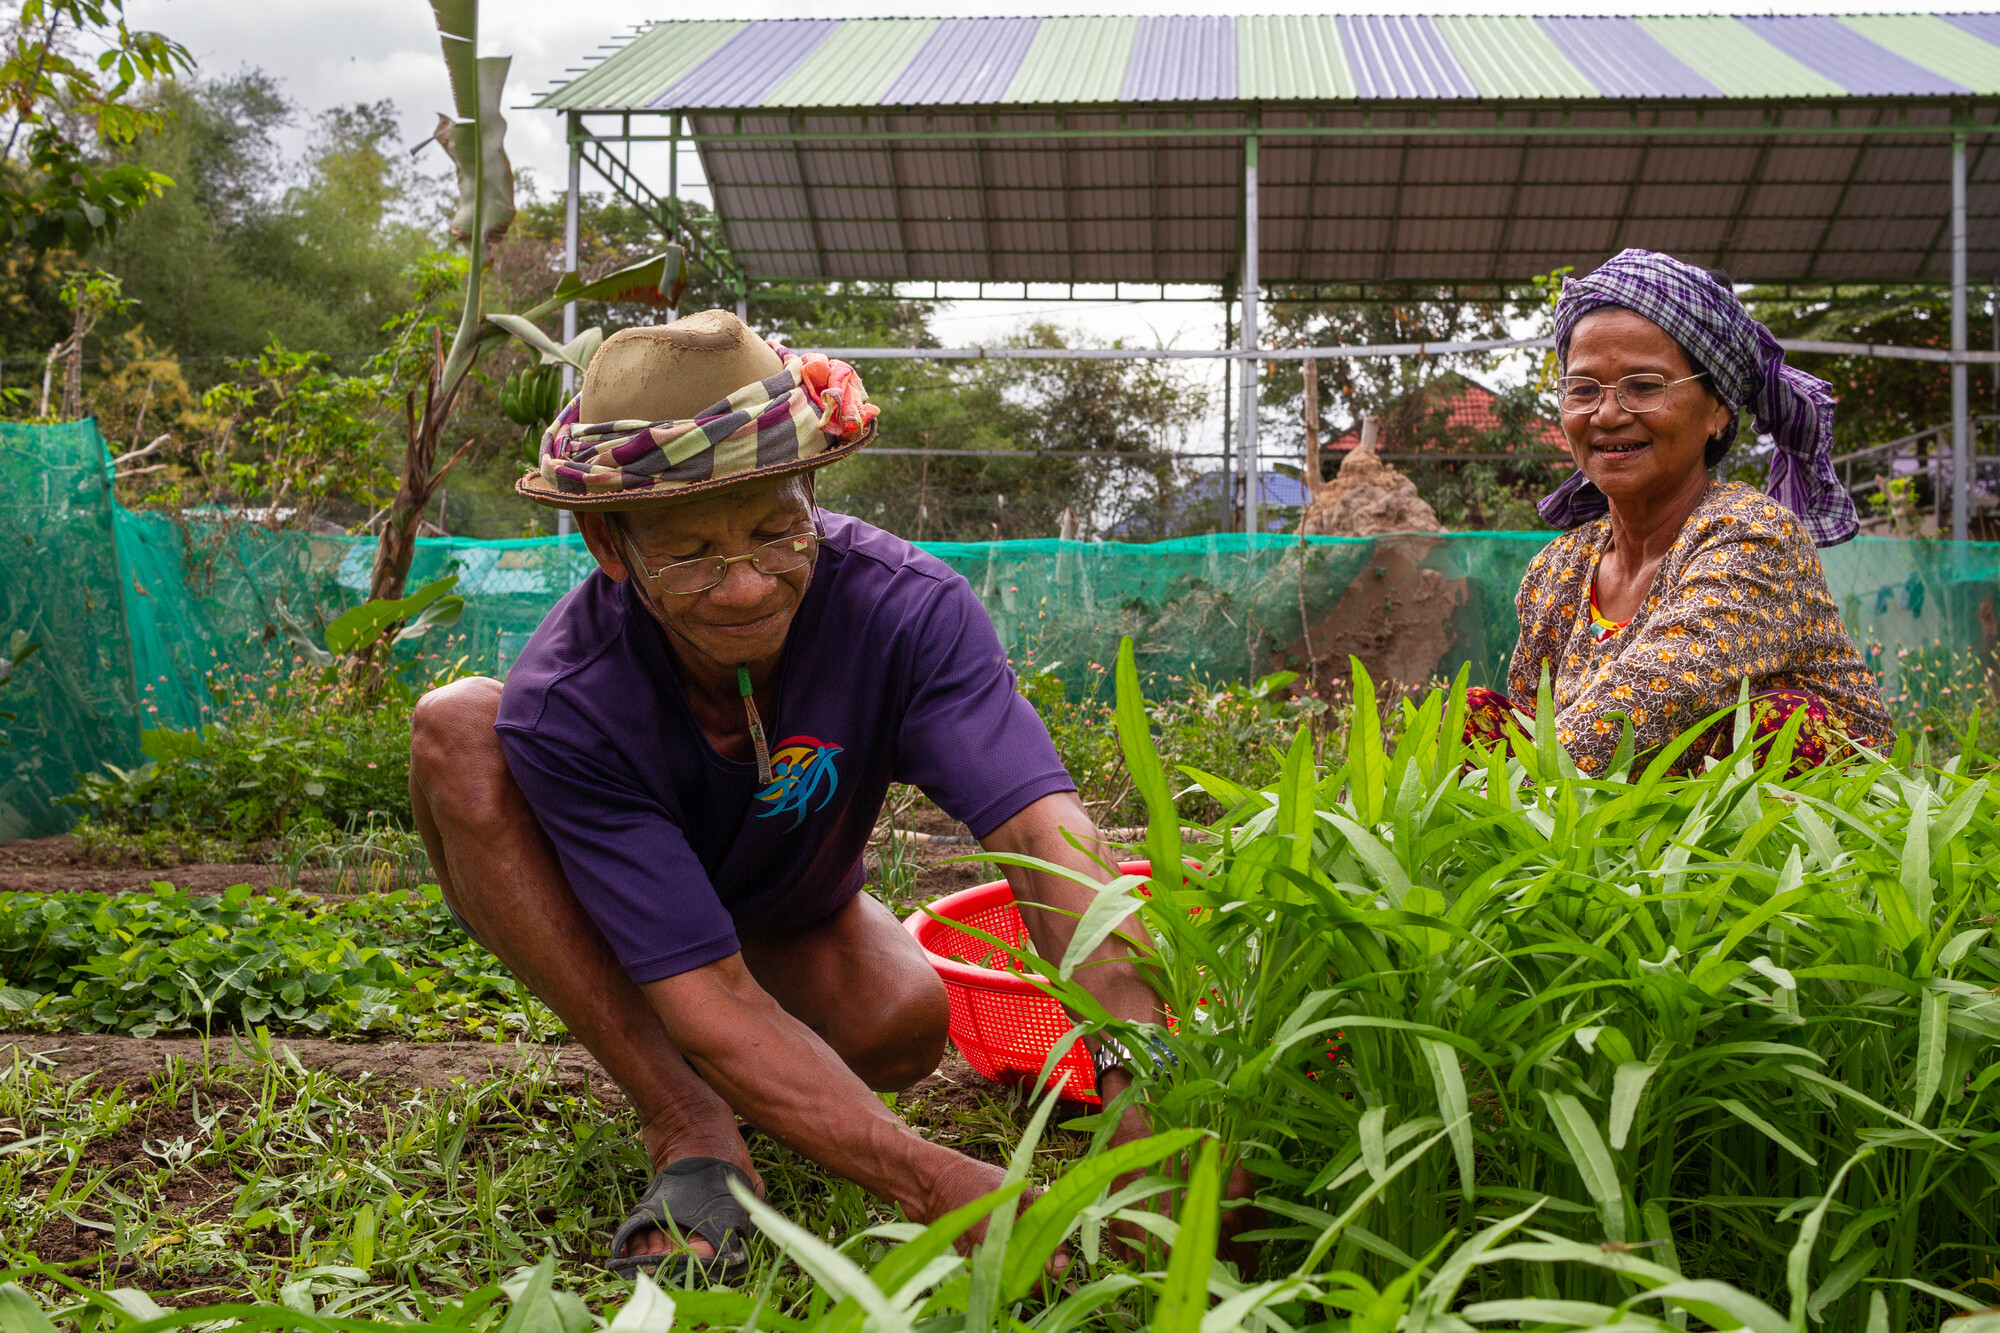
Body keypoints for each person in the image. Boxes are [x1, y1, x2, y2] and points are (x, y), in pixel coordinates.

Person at [407, 311, 1165, 1281]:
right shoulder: (572, 700)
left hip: (785, 913)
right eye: (688, 553)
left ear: (810, 488)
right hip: (635, 931)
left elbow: (1044, 832)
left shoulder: (905, 612)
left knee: (900, 1025)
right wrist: (933, 1181)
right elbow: (706, 994)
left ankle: (762, 1039)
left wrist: (1142, 1062)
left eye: (775, 530)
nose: (743, 588)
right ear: (608, 544)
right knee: (457, 723)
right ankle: (687, 1121)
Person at [1465, 249, 1894, 774]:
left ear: (1717, 409)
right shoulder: (1557, 572)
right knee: (1469, 719)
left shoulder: (1752, 536)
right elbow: (1533, 724)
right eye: (1582, 389)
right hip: (1621, 805)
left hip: (1776, 828)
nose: (1606, 414)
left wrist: (1512, 790)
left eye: (1644, 386)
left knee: (1780, 723)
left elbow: (1655, 690)